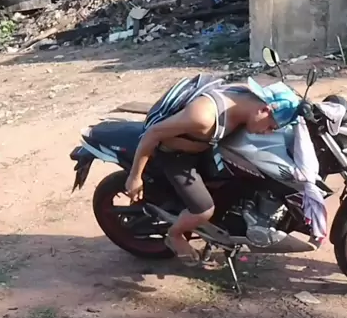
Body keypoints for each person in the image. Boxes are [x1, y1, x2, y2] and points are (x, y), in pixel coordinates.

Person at [124, 74, 301, 265]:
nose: (268, 132)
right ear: (264, 110)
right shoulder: (202, 118)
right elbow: (153, 133)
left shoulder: (247, 98)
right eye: (270, 127)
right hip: (177, 157)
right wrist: (135, 177)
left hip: (209, 148)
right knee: (203, 210)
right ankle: (174, 235)